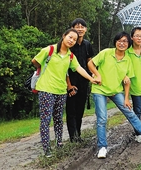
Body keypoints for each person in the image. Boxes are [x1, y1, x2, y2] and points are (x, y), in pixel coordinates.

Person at [87, 31, 141, 159]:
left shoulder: (128, 59)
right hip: (100, 89)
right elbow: (90, 64)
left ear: (128, 44)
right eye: (119, 41)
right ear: (115, 42)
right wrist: (97, 75)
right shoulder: (106, 53)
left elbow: (128, 82)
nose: (122, 43)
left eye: (125, 41)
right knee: (102, 119)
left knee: (130, 113)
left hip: (116, 90)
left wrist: (127, 98)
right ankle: (102, 147)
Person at [31, 28, 99, 158]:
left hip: (61, 91)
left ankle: (59, 143)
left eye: (74, 39)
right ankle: (46, 149)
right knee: (45, 120)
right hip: (46, 89)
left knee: (58, 119)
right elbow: (35, 61)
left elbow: (79, 68)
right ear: (63, 36)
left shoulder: (70, 56)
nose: (72, 41)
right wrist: (43, 70)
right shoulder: (49, 50)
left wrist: (91, 78)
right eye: (70, 37)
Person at [66, 18, 95, 143]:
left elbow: (89, 60)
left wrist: (94, 73)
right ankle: (73, 137)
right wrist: (69, 85)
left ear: (86, 29)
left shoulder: (87, 45)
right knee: (71, 109)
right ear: (72, 29)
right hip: (71, 81)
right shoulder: (69, 45)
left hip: (84, 81)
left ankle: (78, 134)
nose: (80, 29)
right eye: (77, 27)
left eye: (82, 26)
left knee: (80, 109)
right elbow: (65, 66)